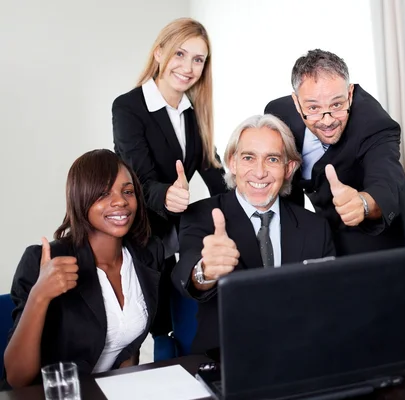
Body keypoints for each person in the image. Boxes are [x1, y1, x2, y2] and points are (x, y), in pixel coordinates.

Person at [172, 114, 336, 354]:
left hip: (302, 354)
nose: (259, 173)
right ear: (233, 163)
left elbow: (330, 302)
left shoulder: (315, 228)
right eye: (249, 158)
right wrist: (205, 271)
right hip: (227, 357)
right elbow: (185, 271)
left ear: (288, 168)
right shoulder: (201, 215)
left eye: (272, 159)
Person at [3, 150, 163, 388]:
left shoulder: (147, 255)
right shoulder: (42, 261)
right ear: (81, 198)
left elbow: (129, 349)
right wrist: (39, 296)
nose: (120, 201)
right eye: (104, 193)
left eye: (127, 192)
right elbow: (17, 378)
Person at [112, 18, 227, 338]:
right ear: (159, 53)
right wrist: (167, 195)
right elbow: (141, 181)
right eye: (180, 54)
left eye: (198, 59)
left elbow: (215, 173)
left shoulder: (195, 111)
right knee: (159, 330)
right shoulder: (128, 107)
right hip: (144, 234)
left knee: (191, 316)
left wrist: (247, 193)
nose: (188, 67)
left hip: (181, 235)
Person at [264, 49, 405, 266]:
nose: (327, 120)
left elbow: (386, 182)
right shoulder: (279, 114)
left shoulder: (375, 124)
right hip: (331, 234)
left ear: (350, 94)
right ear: (296, 102)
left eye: (336, 105)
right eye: (313, 108)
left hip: (385, 241)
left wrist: (363, 203)